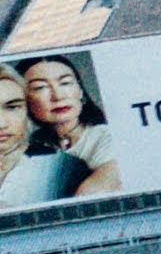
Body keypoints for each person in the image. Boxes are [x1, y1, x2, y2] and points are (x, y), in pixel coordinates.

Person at [3, 56, 113, 205]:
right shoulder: (31, 147)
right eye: (40, 87)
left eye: (65, 83)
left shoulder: (108, 136)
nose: (58, 96)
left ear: (80, 91)